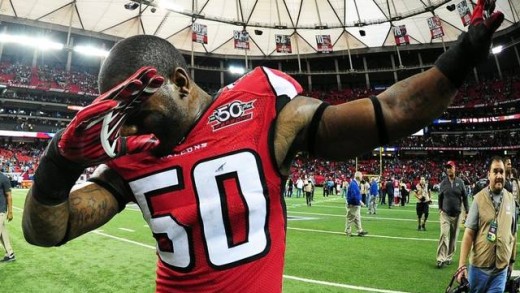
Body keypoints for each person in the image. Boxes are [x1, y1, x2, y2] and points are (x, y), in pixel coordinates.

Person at [21, 3, 504, 291]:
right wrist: (60, 161)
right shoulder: (131, 155)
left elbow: (390, 112)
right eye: (119, 113)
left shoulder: (264, 107)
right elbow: (48, 230)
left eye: (137, 107)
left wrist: (459, 60)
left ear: (182, 82)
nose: (127, 126)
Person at [456, 156, 517, 292]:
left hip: (500, 271)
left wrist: (511, 261)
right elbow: (468, 234)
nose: (499, 175)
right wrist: (461, 265)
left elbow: (513, 233)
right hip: (479, 270)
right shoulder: (478, 199)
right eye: (495, 171)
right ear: (489, 174)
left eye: (501, 171)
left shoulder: (511, 200)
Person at [437, 160, 469, 268]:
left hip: (457, 214)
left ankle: (449, 257)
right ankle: (441, 258)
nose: (448, 169)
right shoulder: (443, 183)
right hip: (445, 213)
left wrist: (467, 211)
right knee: (443, 235)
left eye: (450, 167)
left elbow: (465, 197)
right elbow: (440, 197)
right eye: (447, 168)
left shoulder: (460, 182)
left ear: (455, 168)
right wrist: (440, 208)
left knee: (453, 237)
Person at [345, 171, 368, 237]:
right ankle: (347, 231)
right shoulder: (353, 184)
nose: (362, 177)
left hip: (355, 204)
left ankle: (359, 231)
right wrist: (360, 202)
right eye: (361, 176)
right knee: (350, 218)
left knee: (357, 218)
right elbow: (354, 195)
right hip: (353, 204)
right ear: (358, 177)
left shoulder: (354, 183)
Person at [0, 170, 15, 262]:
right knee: (2, 234)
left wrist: (10, 212)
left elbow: (9, 195)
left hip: (0, 210)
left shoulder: (4, 178)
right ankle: (10, 254)